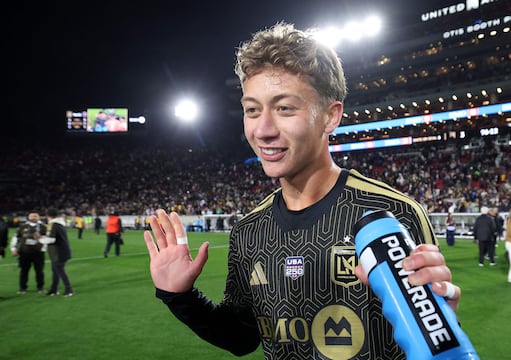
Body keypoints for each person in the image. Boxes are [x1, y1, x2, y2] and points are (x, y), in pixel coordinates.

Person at [143, 22, 461, 359]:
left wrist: (441, 327)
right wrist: (180, 296)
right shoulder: (248, 232)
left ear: (330, 116)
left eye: (284, 108)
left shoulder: (392, 214)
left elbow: (430, 340)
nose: (262, 130)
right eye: (252, 110)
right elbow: (241, 337)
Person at [10, 212, 46, 293]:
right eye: (32, 216)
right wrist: (13, 248)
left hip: (38, 253)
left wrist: (41, 242)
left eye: (35, 216)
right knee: (24, 271)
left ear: (39, 217)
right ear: (28, 217)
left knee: (39, 271)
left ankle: (40, 287)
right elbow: (16, 238)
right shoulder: (22, 227)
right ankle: (23, 288)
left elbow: (48, 239)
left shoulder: (43, 227)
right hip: (24, 252)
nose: (33, 217)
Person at [40, 209, 74, 297]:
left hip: (58, 252)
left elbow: (51, 239)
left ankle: (69, 289)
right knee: (56, 271)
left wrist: (39, 239)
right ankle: (54, 290)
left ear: (47, 216)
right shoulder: (59, 224)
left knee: (60, 270)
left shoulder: (53, 225)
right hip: (61, 251)